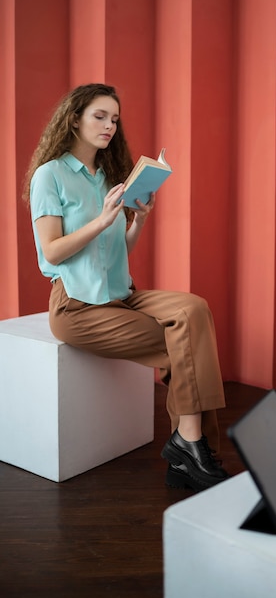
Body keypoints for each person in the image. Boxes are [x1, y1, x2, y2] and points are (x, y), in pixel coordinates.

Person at [23, 83, 228, 492]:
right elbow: (52, 251)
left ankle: (187, 445)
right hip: (77, 307)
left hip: (123, 294)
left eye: (114, 118)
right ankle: (191, 447)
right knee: (183, 344)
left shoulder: (109, 176)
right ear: (74, 118)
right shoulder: (52, 175)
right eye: (99, 116)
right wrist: (99, 220)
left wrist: (139, 220)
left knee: (194, 309)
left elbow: (119, 248)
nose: (109, 126)